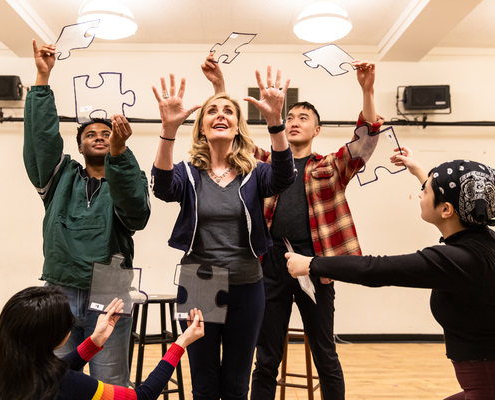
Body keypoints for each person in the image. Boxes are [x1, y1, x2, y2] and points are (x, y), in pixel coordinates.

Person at [202, 53, 383, 400]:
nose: (294, 122)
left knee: (325, 354)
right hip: (270, 263)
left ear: (317, 130)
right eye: (289, 117)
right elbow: (233, 137)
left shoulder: (330, 165)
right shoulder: (266, 163)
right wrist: (219, 87)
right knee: (266, 356)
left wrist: (367, 91)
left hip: (317, 264)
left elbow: (366, 140)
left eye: (304, 118)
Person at [286, 147, 495, 399]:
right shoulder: (485, 239)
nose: (419, 194)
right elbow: (451, 196)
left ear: (447, 209)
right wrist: (417, 169)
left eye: (425, 190)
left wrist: (311, 264)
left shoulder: (460, 260)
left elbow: (376, 269)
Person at [150, 64, 296, 400]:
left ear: (238, 127)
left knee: (235, 383)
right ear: (201, 127)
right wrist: (168, 130)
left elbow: (284, 177)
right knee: (203, 382)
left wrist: (276, 123)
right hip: (199, 285)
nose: (220, 114)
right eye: (212, 110)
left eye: (228, 111)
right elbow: (162, 187)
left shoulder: (256, 173)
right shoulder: (188, 173)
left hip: (247, 286)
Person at [24, 40, 151, 386]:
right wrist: (42, 77)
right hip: (60, 287)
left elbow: (137, 215)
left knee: (110, 381)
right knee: (55, 379)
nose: (98, 137)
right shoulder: (59, 177)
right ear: (79, 145)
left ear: (117, 142)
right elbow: (41, 139)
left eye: (106, 134)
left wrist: (120, 155)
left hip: (111, 288)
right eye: (90, 134)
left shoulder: (130, 175)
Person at [0, 286, 204, 400]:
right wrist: (181, 342)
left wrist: (93, 342)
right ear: (57, 337)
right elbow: (142, 396)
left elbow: (47, 372)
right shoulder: (73, 385)